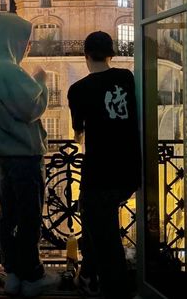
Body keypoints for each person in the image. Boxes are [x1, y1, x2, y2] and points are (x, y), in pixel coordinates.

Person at [0, 13, 59, 297]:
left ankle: (14, 272)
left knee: (9, 217)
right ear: (13, 40)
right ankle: (32, 276)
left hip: (3, 156)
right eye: (25, 40)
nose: (28, 47)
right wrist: (40, 80)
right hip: (24, 158)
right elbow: (31, 109)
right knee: (28, 218)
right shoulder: (8, 70)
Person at [67, 31, 141, 299]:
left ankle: (111, 286)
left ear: (85, 55)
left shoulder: (78, 90)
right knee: (99, 226)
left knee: (102, 233)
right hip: (129, 171)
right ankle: (89, 275)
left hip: (100, 173)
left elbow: (79, 133)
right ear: (111, 54)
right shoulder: (126, 77)